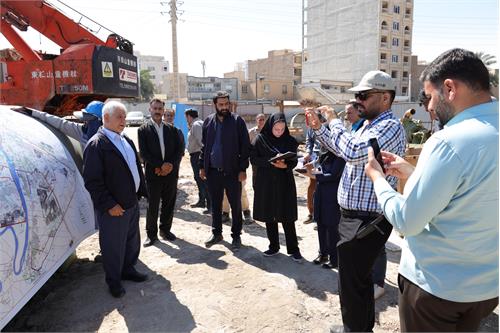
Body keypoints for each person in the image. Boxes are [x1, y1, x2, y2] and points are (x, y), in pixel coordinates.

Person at [365, 48, 499, 332]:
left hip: (436, 291)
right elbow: (473, 192)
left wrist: (377, 178)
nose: (429, 107)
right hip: (486, 289)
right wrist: (414, 173)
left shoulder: (449, 141)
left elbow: (407, 221)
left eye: (429, 96)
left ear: (449, 88)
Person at [306, 70, 406, 332]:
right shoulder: (368, 125)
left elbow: (351, 151)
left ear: (385, 98)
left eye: (363, 95)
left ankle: (355, 329)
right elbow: (341, 149)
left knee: (353, 282)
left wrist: (333, 121)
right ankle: (359, 328)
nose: (358, 100)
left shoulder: (390, 127)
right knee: (355, 281)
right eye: (357, 96)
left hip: (368, 219)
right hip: (354, 216)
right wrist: (321, 129)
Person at [82, 101, 148, 298]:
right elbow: (92, 181)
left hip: (130, 203)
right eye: (119, 117)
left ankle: (128, 270)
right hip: (114, 209)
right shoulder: (96, 145)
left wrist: (140, 191)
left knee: (131, 241)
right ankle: (114, 281)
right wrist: (109, 204)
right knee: (112, 247)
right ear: (106, 118)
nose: (123, 121)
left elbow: (135, 167)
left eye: (124, 117)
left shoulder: (125, 139)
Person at [199, 91, 250, 250]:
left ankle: (236, 236)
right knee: (215, 204)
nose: (224, 107)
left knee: (235, 205)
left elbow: (245, 147)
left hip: (233, 172)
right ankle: (217, 233)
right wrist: (202, 166)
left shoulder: (237, 121)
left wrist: (242, 168)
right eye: (221, 105)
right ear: (215, 105)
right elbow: (204, 147)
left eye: (226, 104)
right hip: (213, 172)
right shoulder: (208, 122)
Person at [251, 113, 303, 262]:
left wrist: (285, 165)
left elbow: (294, 161)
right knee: (270, 214)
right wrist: (270, 161)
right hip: (266, 182)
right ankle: (274, 246)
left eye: (282, 129)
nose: (279, 132)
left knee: (287, 216)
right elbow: (253, 158)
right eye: (276, 129)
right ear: (270, 126)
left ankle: (293, 249)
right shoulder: (260, 139)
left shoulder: (290, 140)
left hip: (284, 182)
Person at [138, 99, 183, 247]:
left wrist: (169, 165)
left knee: (169, 203)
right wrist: (160, 165)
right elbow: (144, 154)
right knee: (153, 205)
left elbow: (178, 151)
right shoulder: (143, 130)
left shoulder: (172, 130)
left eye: (160, 108)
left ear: (163, 111)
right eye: (155, 108)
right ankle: (151, 235)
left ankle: (165, 230)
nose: (157, 111)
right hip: (154, 174)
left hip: (170, 173)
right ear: (150, 110)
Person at [309, 105, 345, 269]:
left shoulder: (340, 154)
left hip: (332, 194)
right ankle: (322, 253)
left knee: (332, 227)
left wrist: (316, 175)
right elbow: (319, 167)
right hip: (321, 192)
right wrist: (312, 170)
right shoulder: (323, 153)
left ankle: (334, 258)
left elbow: (334, 175)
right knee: (321, 224)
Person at [14, 100, 104, 151]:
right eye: (85, 121)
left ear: (100, 121)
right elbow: (59, 122)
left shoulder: (112, 137)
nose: (85, 123)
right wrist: (31, 112)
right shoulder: (81, 132)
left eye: (88, 121)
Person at [185, 108, 211, 213]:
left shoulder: (196, 125)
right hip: (196, 154)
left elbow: (202, 142)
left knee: (202, 179)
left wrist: (203, 156)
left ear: (189, 116)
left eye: (186, 117)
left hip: (198, 155)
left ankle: (210, 205)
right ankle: (202, 200)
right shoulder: (197, 124)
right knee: (198, 179)